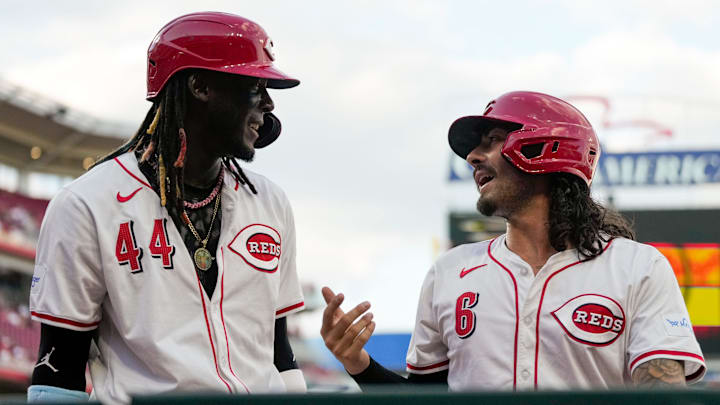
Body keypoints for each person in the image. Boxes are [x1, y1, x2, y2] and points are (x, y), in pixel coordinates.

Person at [321, 91, 705, 390]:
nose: (472, 156)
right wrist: (359, 364)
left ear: (544, 148)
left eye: (491, 140)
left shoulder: (636, 266)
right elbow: (427, 398)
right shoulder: (449, 273)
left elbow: (662, 392)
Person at [28, 12, 305, 404]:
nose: (269, 102)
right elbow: (59, 370)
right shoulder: (85, 206)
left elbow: (279, 351)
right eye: (254, 85)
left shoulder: (271, 202)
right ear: (200, 86)